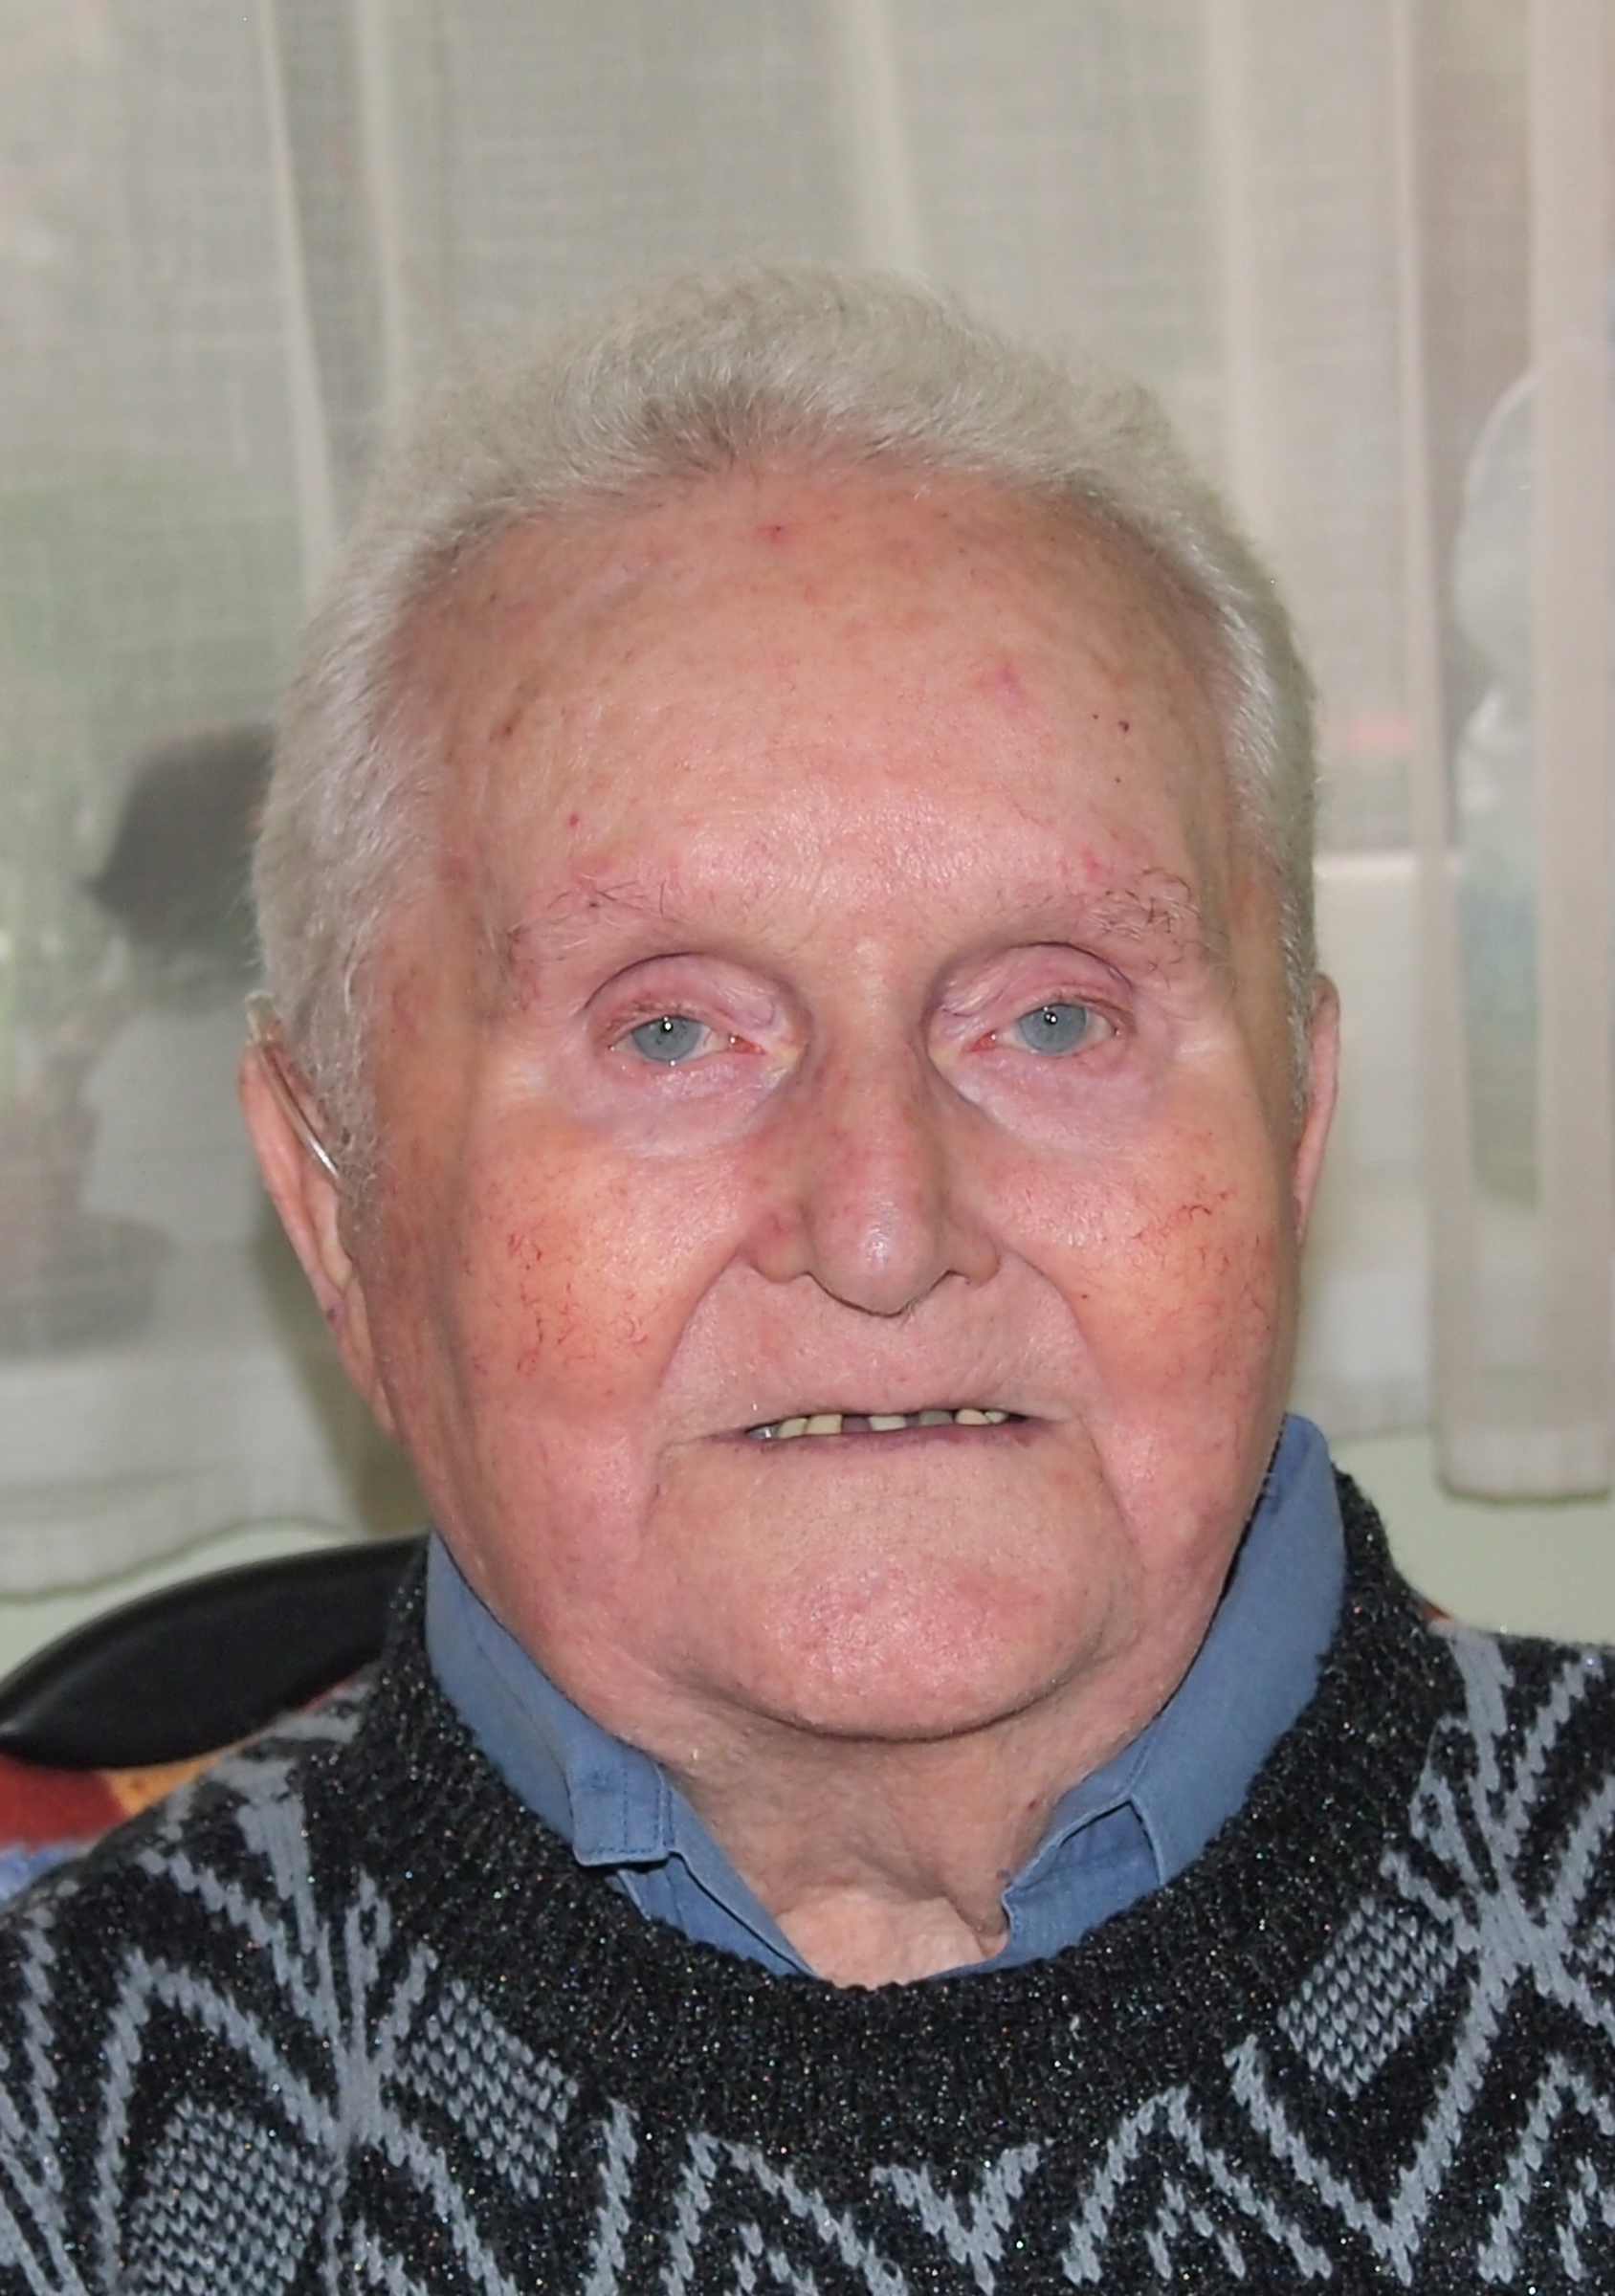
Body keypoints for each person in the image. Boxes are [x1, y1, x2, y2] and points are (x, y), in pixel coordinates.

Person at [0, 267, 1609, 2295]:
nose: (882, 1224)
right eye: (669, 1032)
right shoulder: (60, 2143)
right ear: (337, 1210)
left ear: (1294, 1134)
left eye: (1054, 1018)